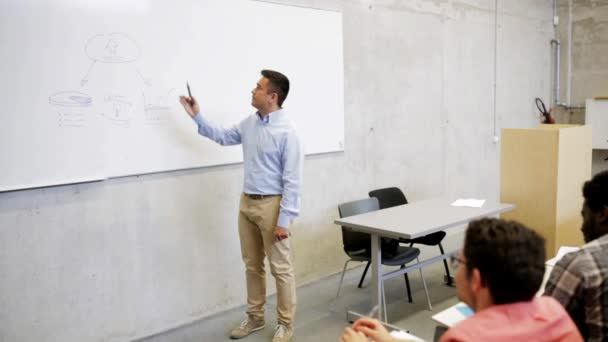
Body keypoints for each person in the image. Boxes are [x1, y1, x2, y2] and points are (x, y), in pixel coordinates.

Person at [179, 70, 302, 342]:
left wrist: (284, 220)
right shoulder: (250, 124)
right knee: (252, 265)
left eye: (258, 88)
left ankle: (285, 324)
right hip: (247, 203)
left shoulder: (288, 132)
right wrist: (196, 115)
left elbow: (292, 180)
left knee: (280, 268)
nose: (252, 91)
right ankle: (256, 317)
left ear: (272, 96)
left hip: (273, 206)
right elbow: (223, 136)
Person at [340, 218, 582, 342]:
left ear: (477, 279)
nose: (455, 271)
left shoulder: (465, 336)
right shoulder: (555, 313)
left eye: (459, 263)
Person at [544, 170, 608, 341]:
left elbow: (543, 328)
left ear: (602, 214)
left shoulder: (581, 265)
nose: (582, 227)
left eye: (585, 216)